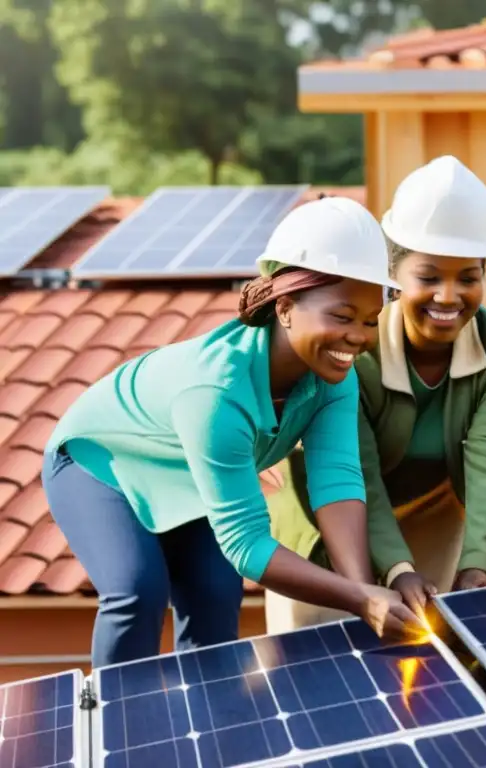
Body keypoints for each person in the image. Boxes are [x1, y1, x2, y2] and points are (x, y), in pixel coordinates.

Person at [42, 196, 422, 669]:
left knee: (215, 592)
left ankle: (209, 727)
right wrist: (360, 600)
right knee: (138, 590)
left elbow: (337, 483)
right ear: (284, 307)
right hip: (98, 461)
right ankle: (120, 732)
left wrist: (364, 591)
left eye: (369, 321)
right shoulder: (218, 391)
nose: (358, 337)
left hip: (186, 474)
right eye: (342, 317)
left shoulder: (334, 378)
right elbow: (245, 545)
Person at [267, 156, 486, 632]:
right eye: (428, 277)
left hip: (435, 530)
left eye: (468, 277)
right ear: (393, 275)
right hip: (336, 527)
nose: (448, 296)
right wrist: (395, 567)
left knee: (433, 677)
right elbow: (352, 474)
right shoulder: (353, 350)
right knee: (322, 677)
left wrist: (483, 567)